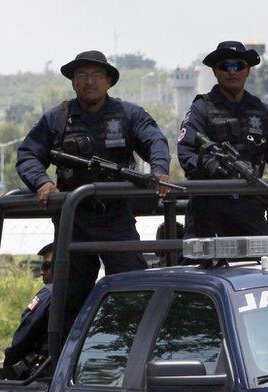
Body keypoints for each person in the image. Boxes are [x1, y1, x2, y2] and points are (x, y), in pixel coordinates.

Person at [15, 50, 172, 333]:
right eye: (82, 75)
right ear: (73, 82)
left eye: (96, 75)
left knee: (135, 291)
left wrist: (159, 169)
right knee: (68, 301)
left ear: (109, 81)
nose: (89, 82)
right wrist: (42, 182)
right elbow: (28, 154)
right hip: (74, 221)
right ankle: (62, 365)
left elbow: (155, 141)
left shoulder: (128, 115)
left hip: (116, 219)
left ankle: (132, 360)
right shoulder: (57, 119)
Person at [177, 41, 268, 238]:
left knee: (266, 263)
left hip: (250, 206)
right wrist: (209, 165)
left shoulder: (263, 112)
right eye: (225, 66)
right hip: (208, 207)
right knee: (197, 266)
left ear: (247, 71)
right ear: (215, 71)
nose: (232, 72)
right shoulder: (201, 109)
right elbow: (186, 151)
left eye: (238, 66)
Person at [0, 244, 54, 380]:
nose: (42, 272)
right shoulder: (82, 294)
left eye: (46, 266)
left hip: (40, 374)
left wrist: (10, 361)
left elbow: (25, 334)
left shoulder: (49, 293)